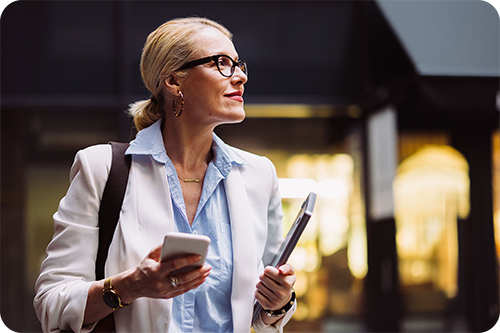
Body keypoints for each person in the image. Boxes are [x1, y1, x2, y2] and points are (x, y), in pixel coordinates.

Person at [34, 17, 296, 333]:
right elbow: (51, 304)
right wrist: (130, 286)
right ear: (173, 82)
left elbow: (256, 314)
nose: (239, 76)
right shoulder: (102, 168)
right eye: (222, 63)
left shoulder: (258, 175)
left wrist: (277, 304)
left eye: (239, 64)